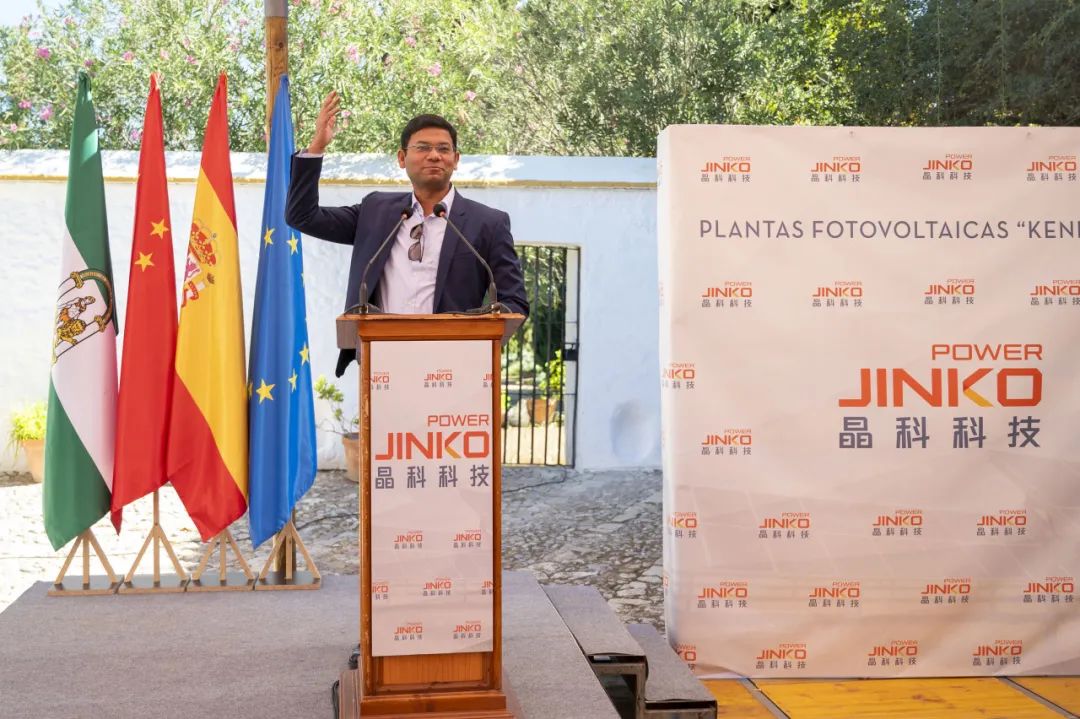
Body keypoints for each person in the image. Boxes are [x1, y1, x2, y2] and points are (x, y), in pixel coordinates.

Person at [286, 91, 530, 377]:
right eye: (423, 147)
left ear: (456, 159)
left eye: (443, 149)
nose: (434, 155)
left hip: (455, 368)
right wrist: (316, 147)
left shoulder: (487, 223)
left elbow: (514, 302)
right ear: (402, 158)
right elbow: (302, 216)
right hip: (383, 365)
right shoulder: (376, 211)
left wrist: (477, 334)